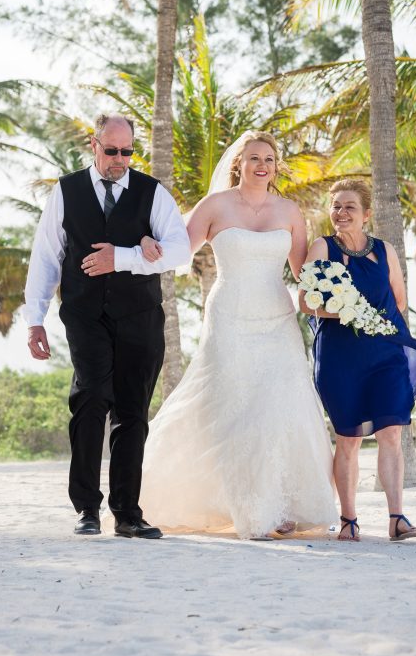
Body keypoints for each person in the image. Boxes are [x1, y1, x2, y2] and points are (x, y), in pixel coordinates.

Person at [138, 131, 337, 539]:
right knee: (234, 408)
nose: (262, 165)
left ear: (276, 166)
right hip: (229, 316)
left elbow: (304, 276)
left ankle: (281, 506)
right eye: (253, 158)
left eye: (269, 158)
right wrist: (146, 243)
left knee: (281, 407)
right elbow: (178, 251)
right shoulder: (215, 206)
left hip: (277, 318)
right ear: (238, 165)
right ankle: (248, 508)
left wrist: (342, 294)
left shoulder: (290, 212)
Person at [24, 114, 191, 539]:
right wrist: (34, 320)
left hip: (140, 316)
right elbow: (45, 257)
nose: (121, 160)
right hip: (84, 313)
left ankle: (128, 514)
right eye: (112, 150)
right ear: (94, 145)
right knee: (92, 397)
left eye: (128, 152)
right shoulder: (66, 192)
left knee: (132, 411)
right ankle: (87, 508)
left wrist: (128, 255)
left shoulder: (152, 193)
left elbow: (179, 251)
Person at [300, 179, 416, 542]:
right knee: (348, 439)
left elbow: (400, 301)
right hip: (340, 358)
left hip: (386, 352)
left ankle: (397, 518)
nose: (342, 213)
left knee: (392, 432)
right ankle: (349, 519)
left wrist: (374, 322)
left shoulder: (385, 250)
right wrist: (349, 313)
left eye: (350, 207)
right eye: (336, 206)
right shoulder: (321, 248)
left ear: (366, 214)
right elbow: (306, 303)